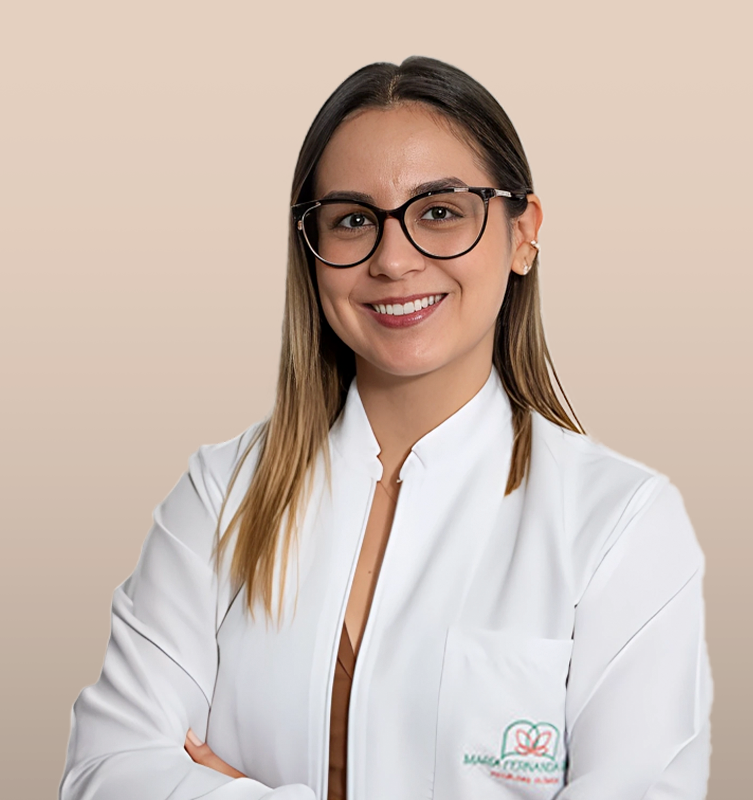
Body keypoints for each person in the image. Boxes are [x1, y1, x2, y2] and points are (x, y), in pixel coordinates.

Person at [59, 56, 713, 800]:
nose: (394, 260)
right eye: (352, 220)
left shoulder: (621, 525)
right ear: (311, 251)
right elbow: (105, 773)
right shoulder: (220, 496)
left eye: (440, 212)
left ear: (523, 233)